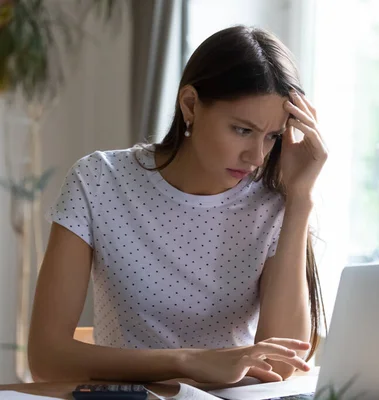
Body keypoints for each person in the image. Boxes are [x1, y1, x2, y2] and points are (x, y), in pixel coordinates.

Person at [27, 25, 327, 385]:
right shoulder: (98, 181)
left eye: (273, 136)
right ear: (190, 105)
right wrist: (187, 362)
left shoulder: (275, 204)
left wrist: (300, 199)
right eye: (242, 130)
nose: (257, 156)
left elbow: (282, 364)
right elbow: (46, 358)